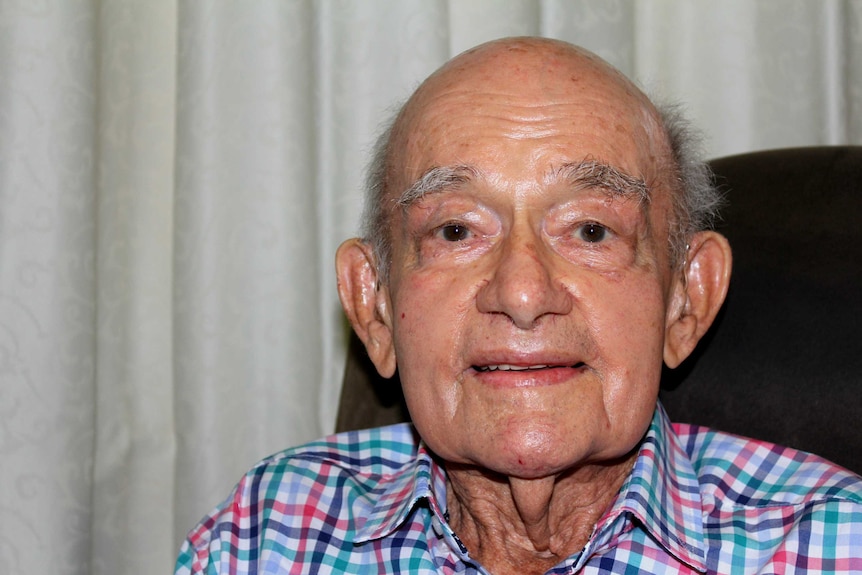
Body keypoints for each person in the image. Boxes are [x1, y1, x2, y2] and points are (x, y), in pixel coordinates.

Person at [175, 37, 862, 574]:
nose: (524, 292)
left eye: (591, 230)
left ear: (686, 298)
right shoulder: (264, 534)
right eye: (455, 230)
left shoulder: (834, 542)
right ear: (374, 307)